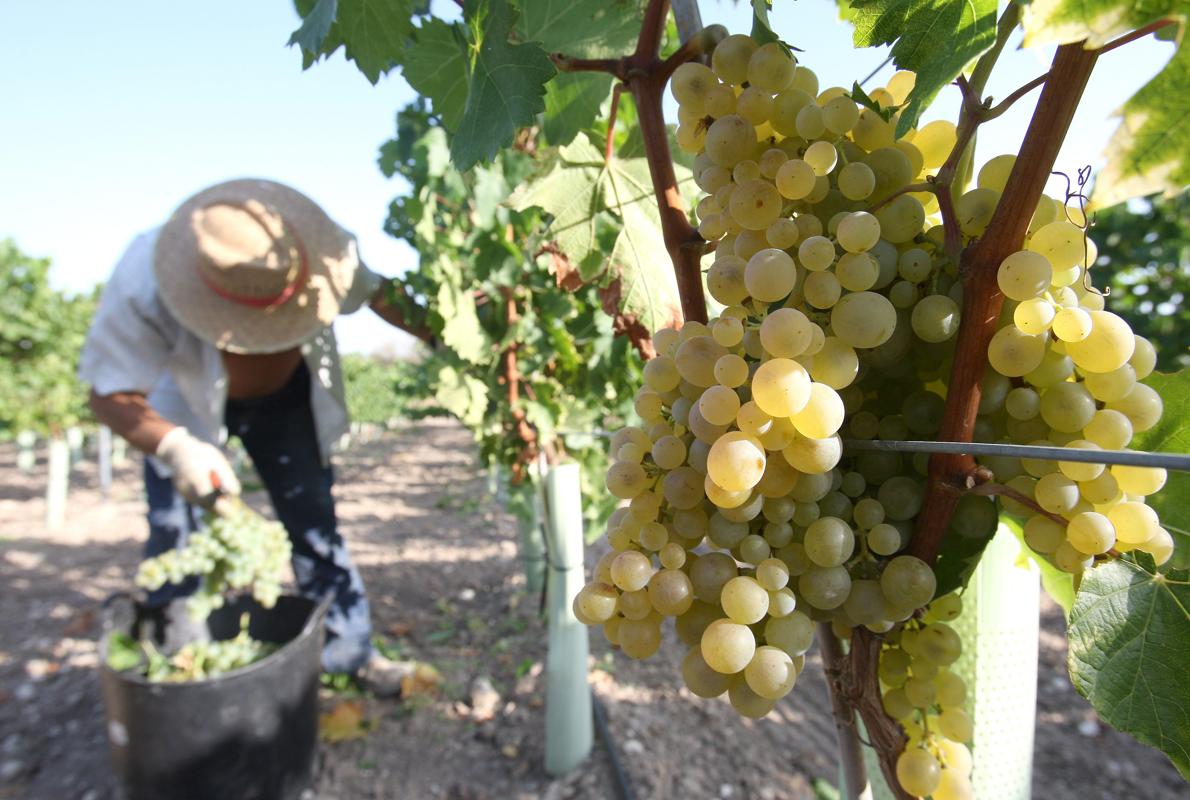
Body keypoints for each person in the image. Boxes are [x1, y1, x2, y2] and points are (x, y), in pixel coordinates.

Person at [80, 178, 422, 694]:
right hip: (183, 409)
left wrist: (458, 336)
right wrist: (175, 446)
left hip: (286, 402)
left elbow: (382, 296)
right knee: (176, 534)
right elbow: (108, 394)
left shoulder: (323, 256)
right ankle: (180, 668)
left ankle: (349, 657)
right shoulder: (143, 277)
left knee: (314, 527)